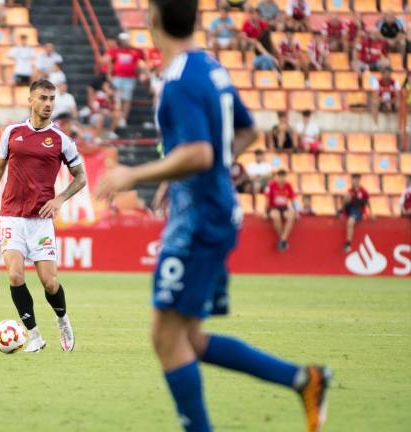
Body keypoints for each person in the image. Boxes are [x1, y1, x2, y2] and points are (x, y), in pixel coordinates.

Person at [95, 2, 330, 431]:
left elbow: (200, 153)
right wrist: (187, 175)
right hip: (213, 211)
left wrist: (136, 174)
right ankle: (304, 379)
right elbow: (248, 130)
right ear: (198, 20)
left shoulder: (180, 79)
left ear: (151, 20)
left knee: (165, 338)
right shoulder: (210, 68)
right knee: (190, 340)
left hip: (199, 221)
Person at [0, 79, 87, 353]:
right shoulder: (12, 133)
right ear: (30, 100)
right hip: (11, 216)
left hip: (40, 220)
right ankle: (34, 336)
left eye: (52, 99)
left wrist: (60, 198)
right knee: (15, 276)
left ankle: (62, 320)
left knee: (50, 282)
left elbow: (81, 178)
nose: (48, 104)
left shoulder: (61, 141)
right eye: (43, 98)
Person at [108, 32, 144, 128]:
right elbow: (109, 62)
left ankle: (123, 118)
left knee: (126, 99)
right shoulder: (116, 51)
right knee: (117, 98)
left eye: (126, 40)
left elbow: (142, 62)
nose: (126, 42)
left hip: (130, 78)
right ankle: (117, 117)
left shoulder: (135, 51)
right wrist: (109, 75)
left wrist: (140, 72)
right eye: (124, 40)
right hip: (118, 77)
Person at [266, 170, 297, 250]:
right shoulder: (271, 185)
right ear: (277, 177)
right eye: (280, 177)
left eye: (283, 177)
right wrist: (265, 211)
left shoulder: (288, 185)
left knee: (291, 216)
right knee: (276, 216)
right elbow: (267, 199)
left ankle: (282, 240)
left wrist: (296, 211)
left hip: (284, 207)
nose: (281, 179)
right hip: (273, 207)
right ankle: (283, 241)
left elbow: (292, 199)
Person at [342, 174, 372, 252]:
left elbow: (367, 203)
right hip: (349, 210)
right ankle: (343, 213)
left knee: (350, 221)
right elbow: (345, 203)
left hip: (358, 211)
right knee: (346, 195)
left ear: (359, 180)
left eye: (356, 179)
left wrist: (371, 213)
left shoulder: (363, 191)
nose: (354, 181)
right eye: (353, 179)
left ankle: (348, 244)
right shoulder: (350, 191)